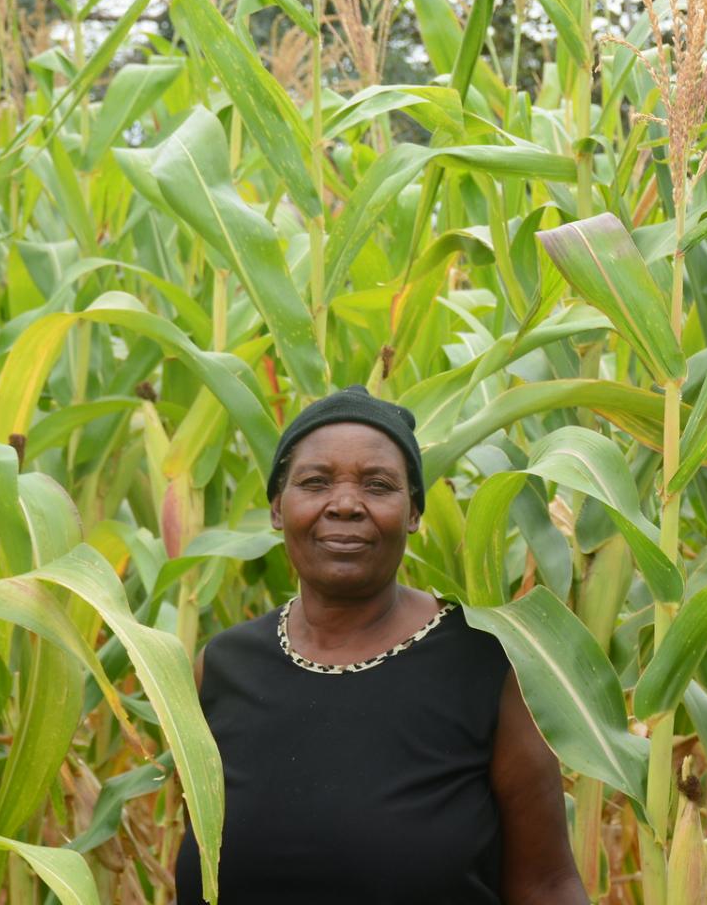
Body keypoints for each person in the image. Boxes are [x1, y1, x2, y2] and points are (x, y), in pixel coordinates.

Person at [174, 387, 587, 904]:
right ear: (278, 508)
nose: (345, 504)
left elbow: (546, 885)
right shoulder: (221, 670)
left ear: (413, 512)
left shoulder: (488, 667)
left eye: (378, 485)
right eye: (315, 482)